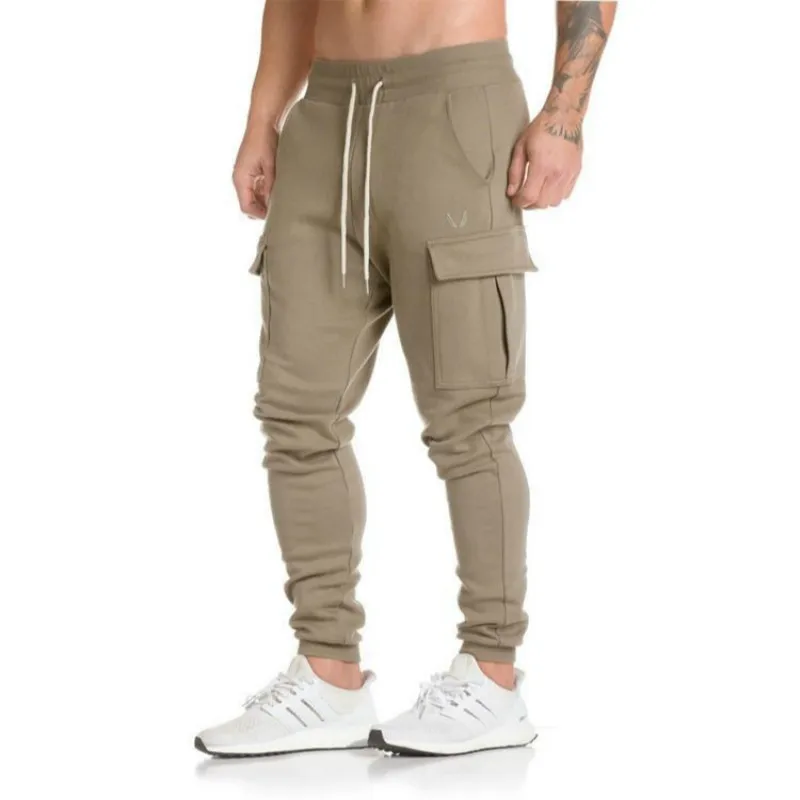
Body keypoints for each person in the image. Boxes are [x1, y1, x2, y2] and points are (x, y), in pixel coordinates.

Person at [196, 0, 616, 758]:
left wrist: (565, 114)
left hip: (453, 101)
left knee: (469, 417)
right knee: (296, 411)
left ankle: (491, 677)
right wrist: (263, 118)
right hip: (325, 117)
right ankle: (328, 674)